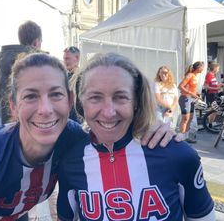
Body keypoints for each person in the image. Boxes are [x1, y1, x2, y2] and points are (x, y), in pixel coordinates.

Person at [0, 53, 177, 221]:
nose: (45, 109)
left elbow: (111, 132)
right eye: (31, 96)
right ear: (13, 106)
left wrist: (150, 127)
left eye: (55, 94)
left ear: (70, 100)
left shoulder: (72, 137)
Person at [57, 53, 215, 220]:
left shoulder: (179, 155)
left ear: (136, 102)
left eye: (121, 97)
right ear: (81, 103)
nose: (109, 112)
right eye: (95, 97)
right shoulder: (70, 162)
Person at [0, 20, 42, 125]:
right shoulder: (35, 62)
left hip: (4, 120)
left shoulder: (6, 58)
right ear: (36, 42)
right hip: (26, 123)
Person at [178, 61, 205, 143]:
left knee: (190, 118)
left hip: (191, 99)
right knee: (185, 119)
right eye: (202, 67)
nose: (203, 69)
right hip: (185, 98)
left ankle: (186, 137)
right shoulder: (190, 75)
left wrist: (196, 93)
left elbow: (190, 87)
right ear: (198, 68)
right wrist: (191, 93)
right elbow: (180, 86)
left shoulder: (195, 76)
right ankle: (181, 139)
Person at [63, 46, 81, 123]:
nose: (65, 61)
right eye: (64, 59)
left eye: (67, 58)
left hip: (77, 120)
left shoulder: (82, 76)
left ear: (77, 58)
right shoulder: (64, 76)